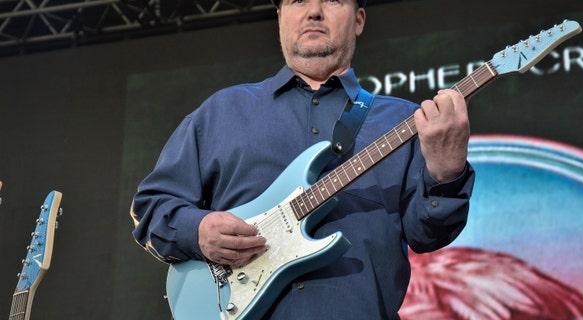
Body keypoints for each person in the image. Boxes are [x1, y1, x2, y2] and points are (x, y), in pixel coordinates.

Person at [130, 0, 475, 318]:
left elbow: (428, 235)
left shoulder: (405, 122)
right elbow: (152, 207)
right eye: (297, 0)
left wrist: (446, 172)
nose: (314, 11)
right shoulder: (222, 111)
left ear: (358, 19)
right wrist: (199, 231)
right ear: (280, 17)